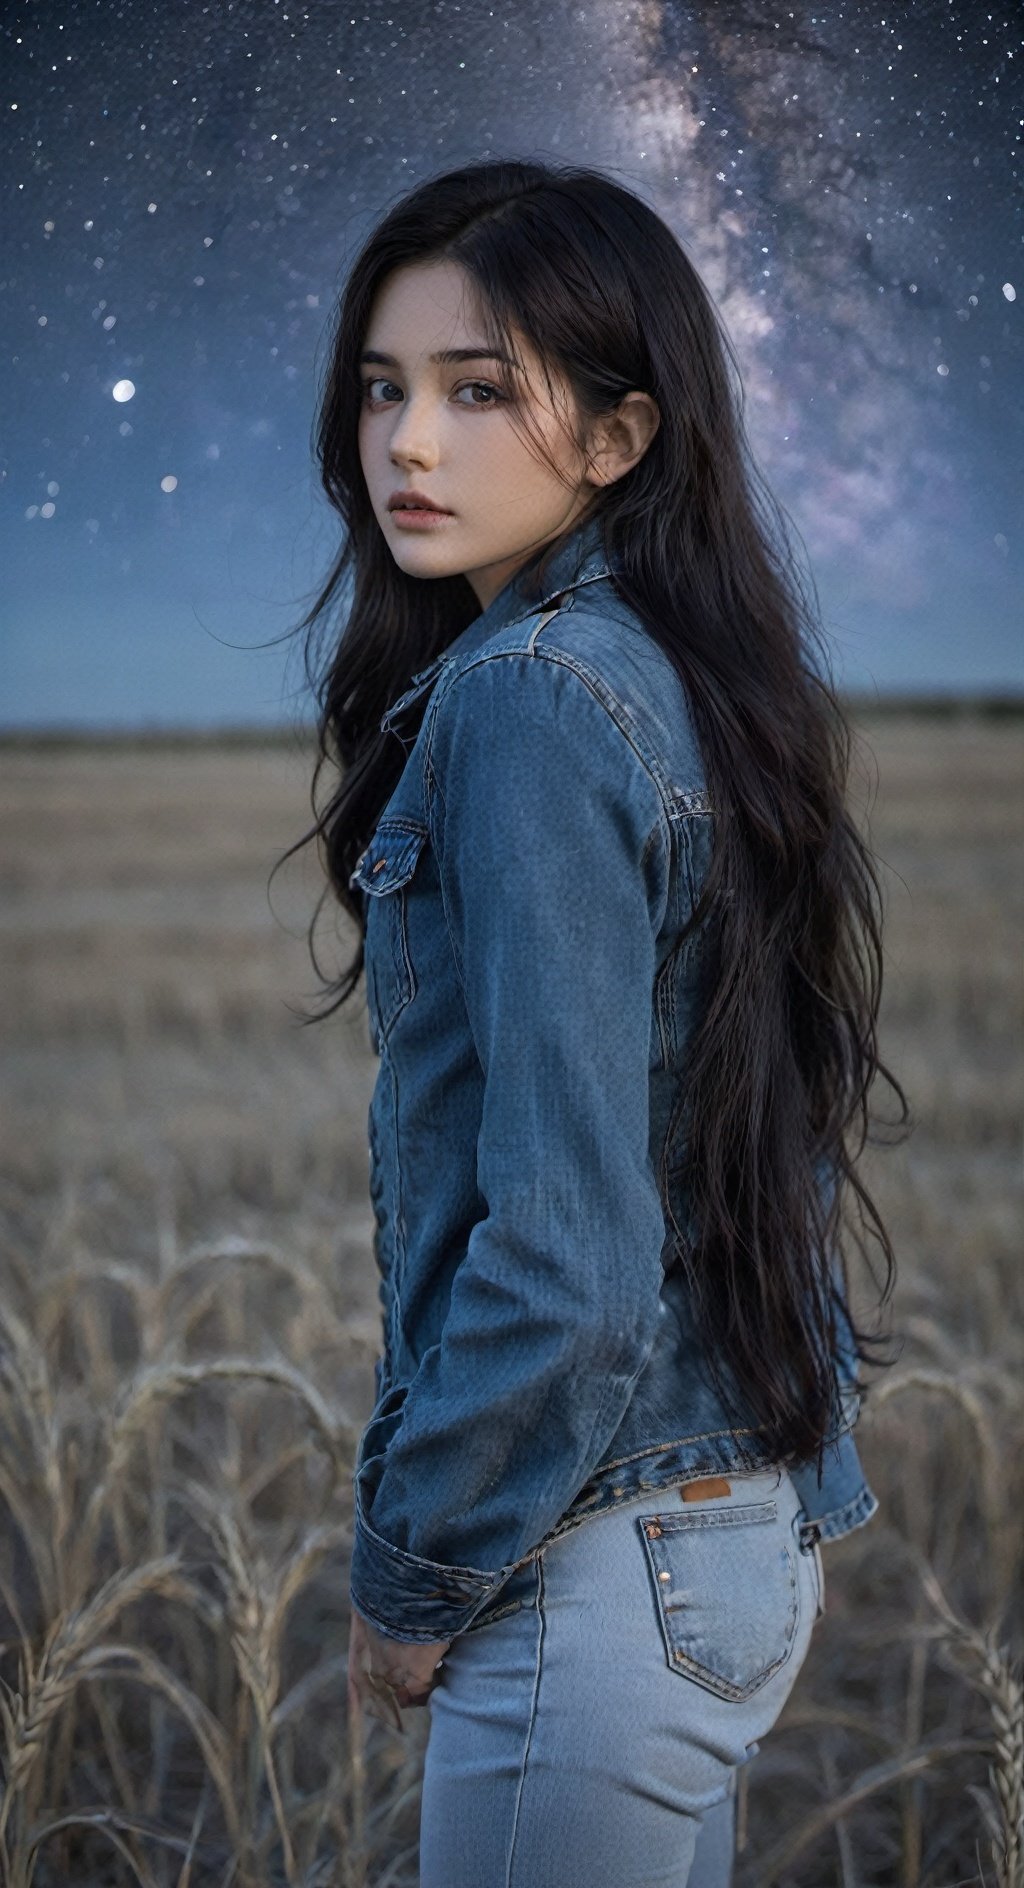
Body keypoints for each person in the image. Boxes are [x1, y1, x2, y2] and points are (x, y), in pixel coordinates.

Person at [285, 158, 906, 1887]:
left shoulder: (532, 700)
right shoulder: (668, 669)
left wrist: (416, 1571)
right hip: (723, 1525)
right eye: (384, 391)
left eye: (480, 392)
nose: (407, 443)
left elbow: (565, 1254)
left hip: (592, 1559)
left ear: (621, 436)